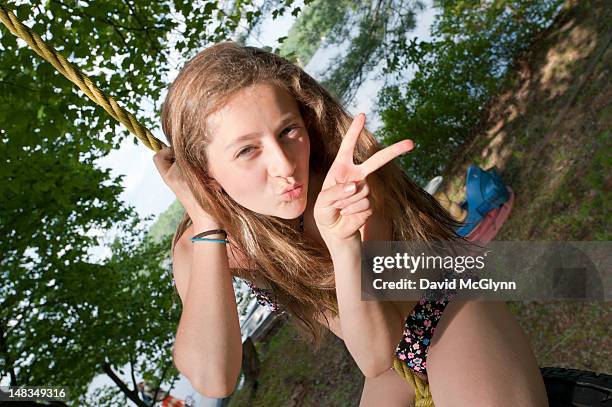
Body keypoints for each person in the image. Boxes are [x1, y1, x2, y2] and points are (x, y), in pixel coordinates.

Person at [153, 42, 548, 406]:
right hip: (392, 362)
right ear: (203, 172)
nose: (286, 166)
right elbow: (213, 378)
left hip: (444, 314)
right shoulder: (203, 242)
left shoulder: (348, 185)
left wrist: (344, 247)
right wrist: (206, 221)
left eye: (288, 131)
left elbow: (374, 351)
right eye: (247, 150)